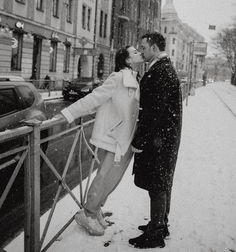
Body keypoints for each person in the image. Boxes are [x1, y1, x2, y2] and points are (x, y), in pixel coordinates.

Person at [59, 46, 143, 236]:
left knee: (113, 179)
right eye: (135, 52)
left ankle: (95, 209)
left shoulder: (134, 79)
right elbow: (94, 99)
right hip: (114, 137)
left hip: (125, 138)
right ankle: (87, 213)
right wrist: (68, 113)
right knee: (105, 176)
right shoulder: (119, 78)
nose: (139, 53)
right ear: (128, 61)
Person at [128, 32, 182, 249]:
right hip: (165, 136)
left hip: (160, 138)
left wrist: (139, 141)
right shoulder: (162, 68)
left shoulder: (161, 71)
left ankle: (155, 234)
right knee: (162, 181)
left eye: (143, 47)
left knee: (157, 184)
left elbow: (152, 112)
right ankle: (160, 224)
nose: (141, 51)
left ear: (153, 47)